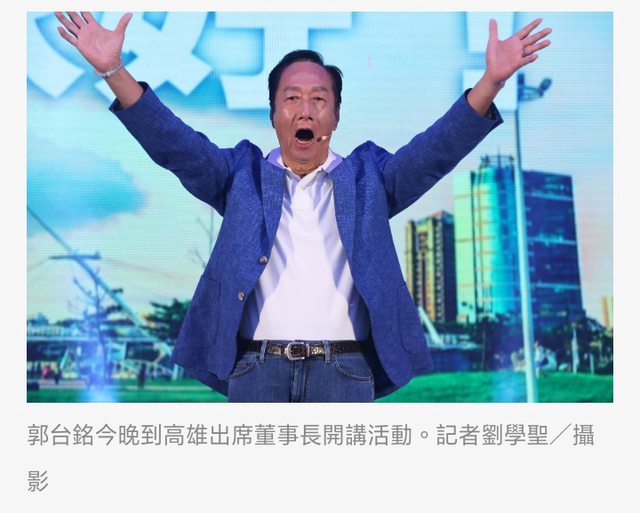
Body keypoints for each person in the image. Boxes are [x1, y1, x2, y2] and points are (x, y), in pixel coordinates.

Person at [55, 12, 551, 402]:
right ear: (274, 113)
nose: (305, 109)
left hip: (346, 372)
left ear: (335, 115)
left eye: (319, 99)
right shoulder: (241, 176)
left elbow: (434, 152)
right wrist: (113, 71)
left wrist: (491, 81)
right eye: (291, 98)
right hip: (255, 371)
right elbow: (175, 145)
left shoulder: (370, 179)